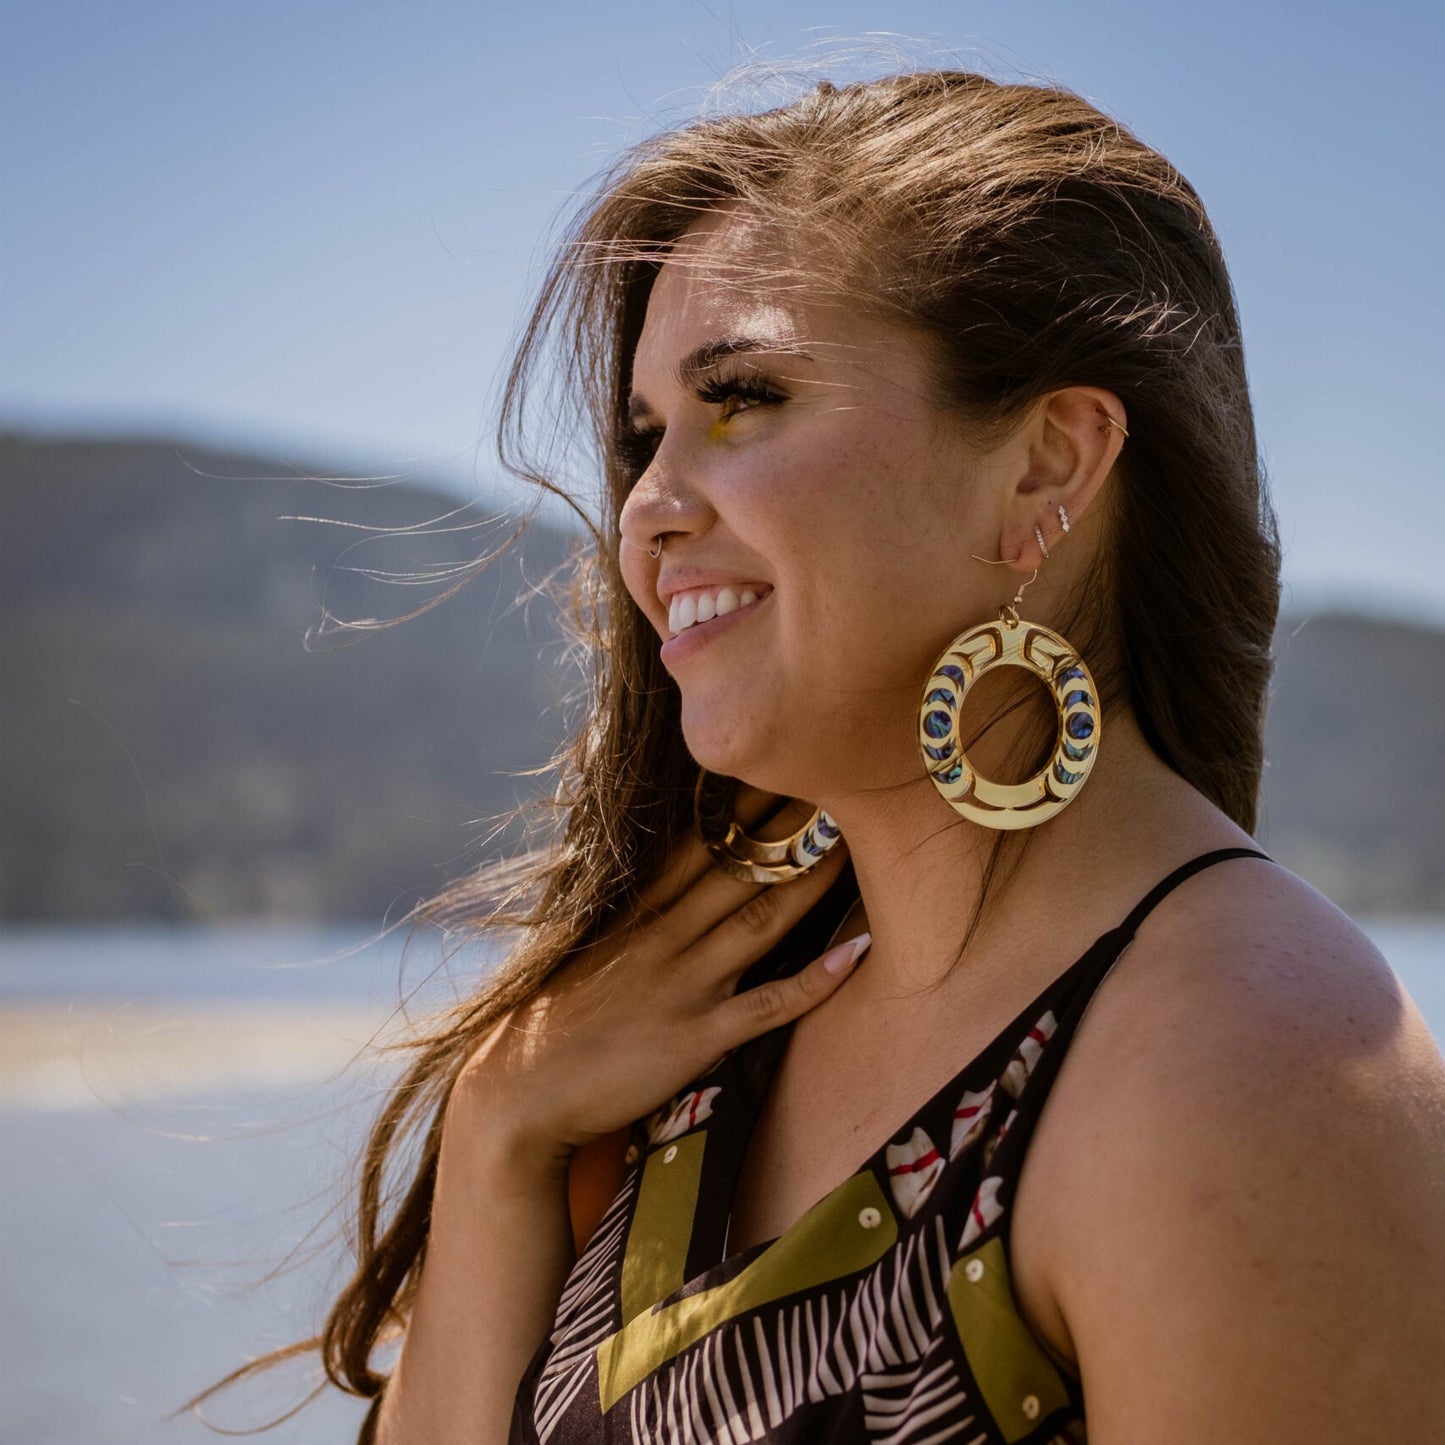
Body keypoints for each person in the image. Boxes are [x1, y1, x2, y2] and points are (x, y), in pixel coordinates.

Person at [194, 68, 1445, 1443]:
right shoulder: (655, 1041)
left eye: (741, 397)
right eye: (642, 434)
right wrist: (499, 1136)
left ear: (1044, 467)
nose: (649, 511)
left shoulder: (1246, 1065)